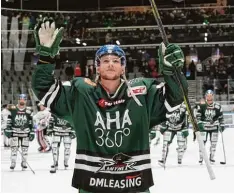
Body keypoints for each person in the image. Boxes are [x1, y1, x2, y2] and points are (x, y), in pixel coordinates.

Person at [32, 19, 188, 193]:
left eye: (116, 60)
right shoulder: (82, 92)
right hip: (93, 186)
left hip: (134, 185)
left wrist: (173, 70)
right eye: (105, 60)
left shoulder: (142, 92)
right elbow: (44, 89)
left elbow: (176, 96)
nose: (111, 64)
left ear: (123, 68)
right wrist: (46, 57)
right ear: (97, 68)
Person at [4, 94, 34, 170]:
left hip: (25, 132)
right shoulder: (13, 109)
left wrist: (32, 132)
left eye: (24, 99)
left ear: (26, 100)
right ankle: (13, 163)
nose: (22, 100)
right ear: (18, 100)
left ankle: (24, 163)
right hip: (15, 131)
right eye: (20, 99)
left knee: (25, 150)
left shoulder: (29, 110)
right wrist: (8, 130)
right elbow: (9, 120)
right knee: (14, 149)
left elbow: (31, 122)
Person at [196, 90, 225, 164]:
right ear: (205, 96)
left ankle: (212, 158)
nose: (209, 97)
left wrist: (222, 124)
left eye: (210, 95)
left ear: (213, 96)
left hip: (214, 127)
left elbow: (221, 117)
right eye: (208, 95)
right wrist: (199, 124)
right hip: (204, 127)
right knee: (202, 143)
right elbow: (198, 116)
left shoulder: (217, 106)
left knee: (214, 144)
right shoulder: (201, 105)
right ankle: (201, 158)